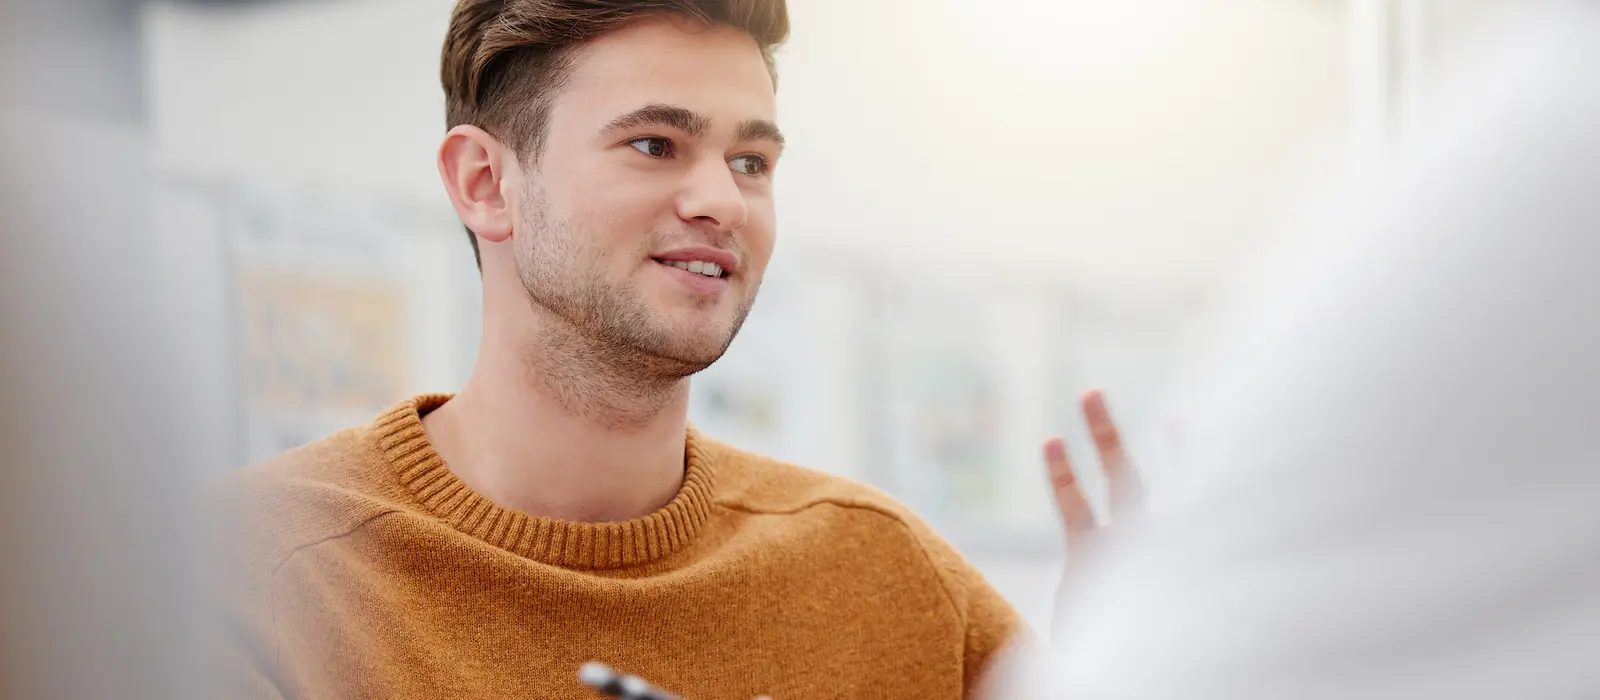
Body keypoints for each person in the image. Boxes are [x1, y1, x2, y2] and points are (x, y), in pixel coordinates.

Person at [217, 1, 1138, 697]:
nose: (724, 202)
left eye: (751, 163)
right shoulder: (253, 577)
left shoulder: (890, 578)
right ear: (485, 182)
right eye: (655, 145)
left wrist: (1152, 661)